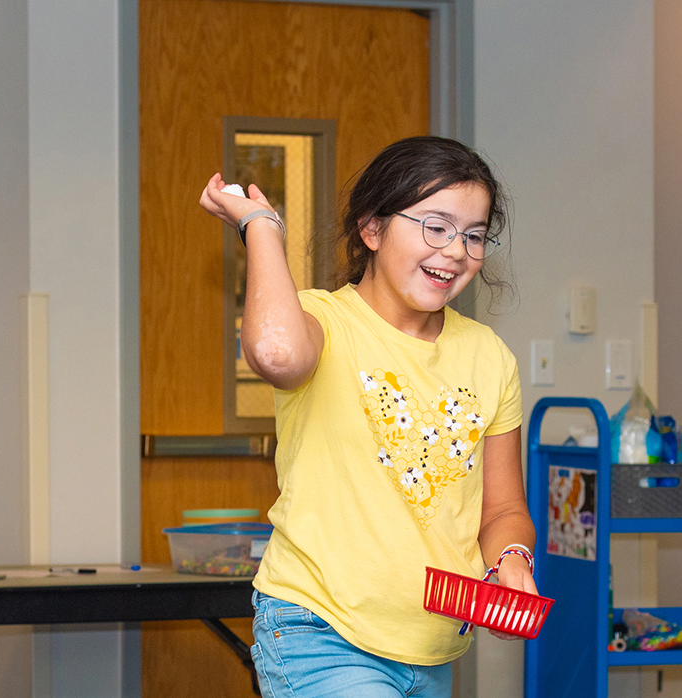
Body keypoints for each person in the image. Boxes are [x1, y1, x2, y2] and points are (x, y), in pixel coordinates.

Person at [198, 136, 536, 697]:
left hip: (431, 650)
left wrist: (511, 558)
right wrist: (260, 225)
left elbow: (503, 508)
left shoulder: (490, 356)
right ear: (371, 229)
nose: (455, 250)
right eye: (435, 226)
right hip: (319, 631)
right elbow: (277, 353)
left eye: (473, 236)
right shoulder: (323, 321)